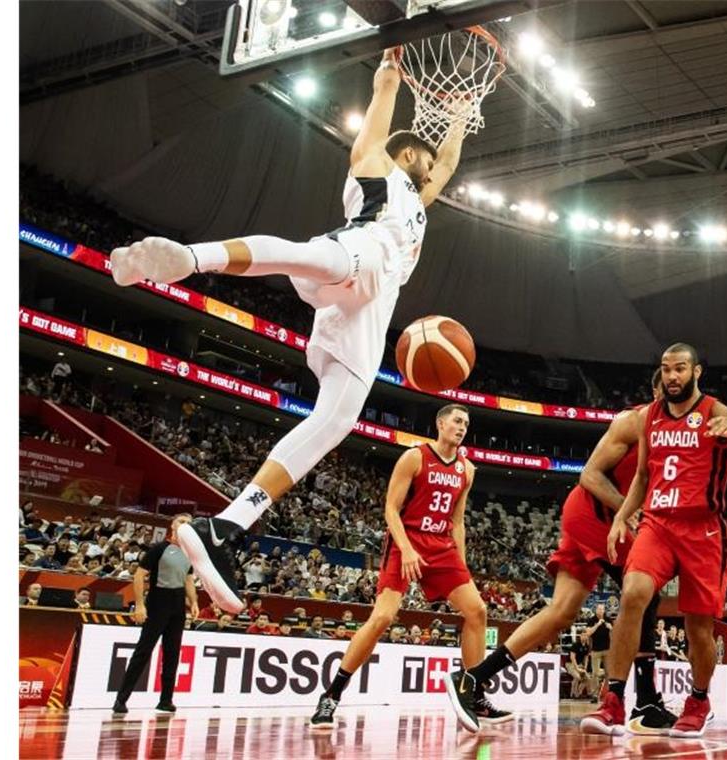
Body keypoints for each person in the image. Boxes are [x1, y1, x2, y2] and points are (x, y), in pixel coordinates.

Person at [109, 49, 470, 616]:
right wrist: (389, 75)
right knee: (304, 257)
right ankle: (190, 257)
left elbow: (446, 165)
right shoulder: (380, 169)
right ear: (407, 155)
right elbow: (380, 121)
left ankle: (225, 527)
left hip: (368, 314)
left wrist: (460, 116)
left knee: (335, 421)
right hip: (361, 250)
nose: (432, 170)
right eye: (423, 159)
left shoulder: (422, 203)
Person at [452, 372, 676, 735]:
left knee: (561, 613)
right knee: (644, 592)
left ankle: (473, 680)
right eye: (665, 386)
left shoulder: (675, 437)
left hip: (600, 517)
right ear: (654, 391)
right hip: (595, 514)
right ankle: (645, 701)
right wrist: (627, 511)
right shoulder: (632, 422)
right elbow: (589, 474)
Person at [593, 343, 727, 738]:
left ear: (696, 372)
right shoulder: (649, 416)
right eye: (666, 369)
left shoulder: (718, 412)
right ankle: (614, 700)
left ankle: (699, 700)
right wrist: (621, 517)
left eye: (680, 369)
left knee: (698, 628)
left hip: (704, 529)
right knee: (632, 594)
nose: (672, 376)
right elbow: (642, 477)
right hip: (657, 524)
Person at [311, 405, 506, 732]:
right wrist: (406, 549)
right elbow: (390, 509)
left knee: (477, 611)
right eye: (457, 421)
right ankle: (332, 694)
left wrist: (462, 562)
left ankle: (473, 694)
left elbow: (457, 521)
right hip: (407, 540)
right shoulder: (414, 457)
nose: (462, 428)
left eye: (466, 424)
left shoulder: (467, 469)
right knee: (383, 618)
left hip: (442, 546)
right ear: (440, 423)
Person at [111, 515, 199, 715]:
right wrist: (140, 605)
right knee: (143, 651)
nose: (186, 525)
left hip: (178, 606)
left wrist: (193, 602)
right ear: (173, 525)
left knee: (173, 653)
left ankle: (166, 700)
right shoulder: (159, 549)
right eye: (182, 522)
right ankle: (121, 699)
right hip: (158, 602)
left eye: (189, 523)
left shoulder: (190, 553)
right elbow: (139, 575)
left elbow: (188, 579)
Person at [566, 630, 593, 699]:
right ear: (580, 636)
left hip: (580, 665)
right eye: (583, 635)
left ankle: (581, 692)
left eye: (586, 635)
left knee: (588, 678)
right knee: (577, 677)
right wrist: (577, 668)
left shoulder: (587, 646)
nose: (584, 637)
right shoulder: (575, 645)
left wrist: (585, 667)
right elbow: (572, 658)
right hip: (570, 664)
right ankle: (574, 694)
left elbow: (586, 658)